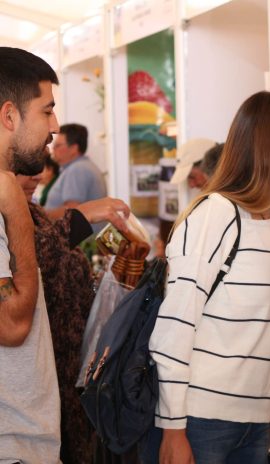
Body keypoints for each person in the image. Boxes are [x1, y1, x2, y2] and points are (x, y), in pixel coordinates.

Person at [143, 91, 270, 464]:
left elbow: (226, 308)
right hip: (201, 420)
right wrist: (173, 430)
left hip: (252, 419)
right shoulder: (217, 214)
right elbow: (175, 326)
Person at [16, 158, 130, 464]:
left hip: (70, 379)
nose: (37, 175)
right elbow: (38, 257)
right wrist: (80, 216)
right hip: (38, 389)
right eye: (24, 168)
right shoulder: (10, 222)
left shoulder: (33, 214)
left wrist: (109, 277)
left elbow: (63, 272)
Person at [0, 46, 61, 464]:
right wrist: (14, 205)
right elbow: (12, 322)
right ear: (9, 116)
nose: (55, 126)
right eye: (47, 111)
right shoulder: (5, 199)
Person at [45, 123, 107, 227]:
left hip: (82, 242)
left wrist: (40, 215)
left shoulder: (77, 170)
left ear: (74, 148)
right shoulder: (83, 166)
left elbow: (72, 211)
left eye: (57, 146)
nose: (53, 150)